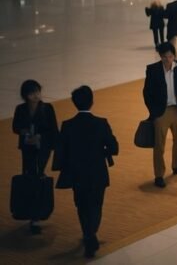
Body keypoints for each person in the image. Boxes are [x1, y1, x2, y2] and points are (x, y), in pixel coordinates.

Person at [52, 86, 119, 258]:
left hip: (77, 173)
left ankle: (88, 234)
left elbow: (61, 151)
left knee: (81, 205)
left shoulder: (67, 126)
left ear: (74, 103)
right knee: (96, 205)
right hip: (97, 171)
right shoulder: (101, 123)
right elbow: (113, 147)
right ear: (92, 101)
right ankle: (91, 234)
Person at [143, 42, 177, 188]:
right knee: (159, 145)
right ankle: (159, 175)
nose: (168, 60)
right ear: (160, 57)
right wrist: (153, 112)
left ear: (174, 56)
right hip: (161, 111)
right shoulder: (152, 70)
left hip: (176, 110)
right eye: (165, 57)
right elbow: (147, 93)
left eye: (170, 57)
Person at [12, 79, 58, 234]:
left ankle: (36, 216)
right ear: (26, 95)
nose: (36, 95)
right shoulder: (20, 109)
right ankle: (32, 213)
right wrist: (25, 132)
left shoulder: (47, 108)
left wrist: (41, 138)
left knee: (37, 175)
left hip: (43, 148)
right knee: (29, 175)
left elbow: (53, 130)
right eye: (32, 93)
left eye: (37, 91)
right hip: (27, 147)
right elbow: (15, 127)